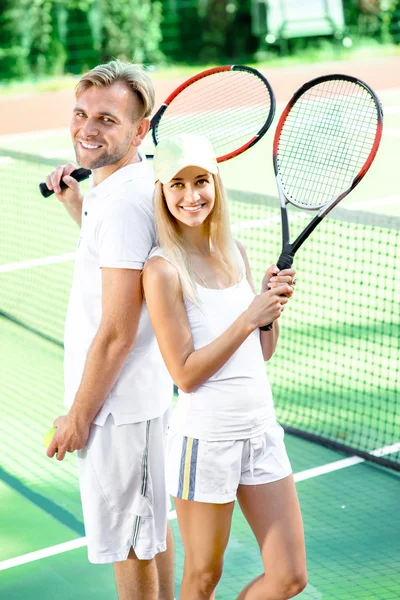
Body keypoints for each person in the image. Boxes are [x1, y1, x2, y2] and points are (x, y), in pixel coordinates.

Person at [142, 133, 307, 600]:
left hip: (261, 432)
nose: (191, 196)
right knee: (202, 577)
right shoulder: (162, 270)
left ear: (216, 183)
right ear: (161, 191)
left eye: (201, 181)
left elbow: (264, 350)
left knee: (290, 577)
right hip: (206, 442)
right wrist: (246, 318)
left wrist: (270, 308)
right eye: (177, 184)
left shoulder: (236, 250)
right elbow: (186, 375)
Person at [44, 60, 174, 600]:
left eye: (107, 119)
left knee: (130, 544)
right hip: (129, 406)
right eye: (80, 114)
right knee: (149, 536)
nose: (87, 130)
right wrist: (81, 207)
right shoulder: (118, 189)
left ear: (140, 130)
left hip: (116, 410)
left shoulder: (121, 203)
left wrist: (78, 416)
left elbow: (118, 332)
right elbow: (119, 266)